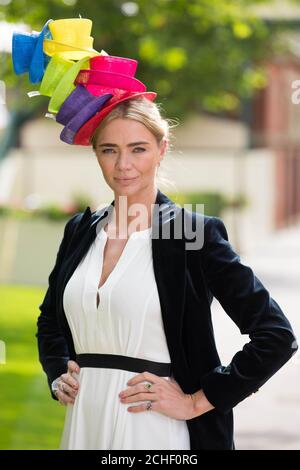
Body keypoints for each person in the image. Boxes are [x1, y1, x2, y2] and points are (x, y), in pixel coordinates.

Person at [36, 96, 298, 450]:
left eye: (138, 149)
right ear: (95, 153)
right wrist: (56, 372)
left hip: (156, 428)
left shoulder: (191, 233)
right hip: (85, 423)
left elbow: (276, 335)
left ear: (162, 149)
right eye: (110, 150)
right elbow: (50, 320)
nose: (123, 165)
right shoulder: (81, 230)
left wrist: (197, 401)